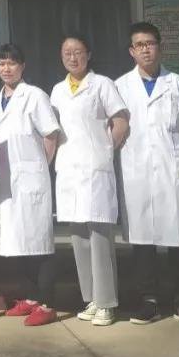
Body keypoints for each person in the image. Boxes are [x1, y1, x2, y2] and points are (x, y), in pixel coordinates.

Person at [115, 22, 179, 327]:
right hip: (137, 171)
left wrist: (170, 149)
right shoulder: (120, 86)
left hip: (171, 170)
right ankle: (148, 302)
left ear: (159, 47)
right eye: (139, 45)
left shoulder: (178, 83)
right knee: (142, 240)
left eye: (150, 43)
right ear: (131, 51)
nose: (145, 49)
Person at [49, 36, 129, 327]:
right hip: (69, 169)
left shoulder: (102, 84)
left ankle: (107, 303)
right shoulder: (57, 90)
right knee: (79, 237)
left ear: (89, 54)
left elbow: (120, 120)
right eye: (67, 53)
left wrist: (106, 150)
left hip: (95, 168)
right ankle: (92, 298)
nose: (73, 58)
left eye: (78, 52)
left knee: (99, 237)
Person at [0, 44, 61, 327]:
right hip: (8, 181)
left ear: (22, 66)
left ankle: (47, 303)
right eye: (1, 63)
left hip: (31, 179)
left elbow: (51, 135)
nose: (6, 68)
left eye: (12, 63)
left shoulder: (35, 95)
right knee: (18, 242)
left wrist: (39, 167)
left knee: (39, 242)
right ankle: (30, 298)